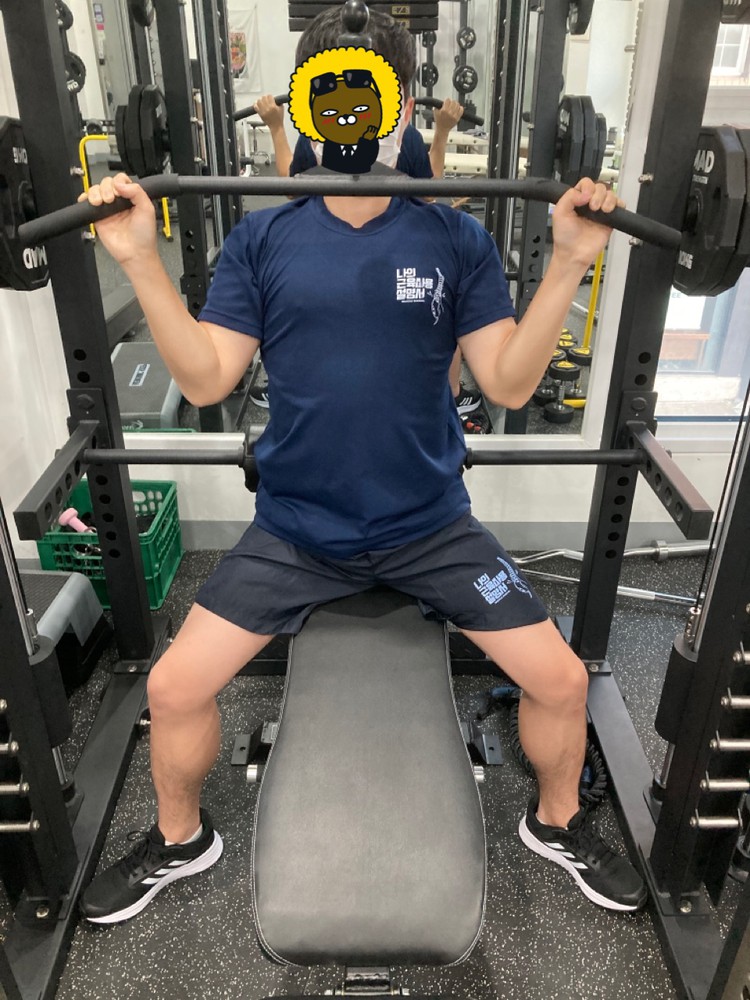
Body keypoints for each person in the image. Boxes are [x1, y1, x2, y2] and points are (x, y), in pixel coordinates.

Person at [78, 11, 646, 929]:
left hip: (431, 527)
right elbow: (209, 377)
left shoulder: (453, 240)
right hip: (297, 530)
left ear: (403, 108)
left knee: (563, 680)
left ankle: (557, 820)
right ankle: (182, 840)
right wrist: (141, 258)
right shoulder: (263, 241)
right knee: (172, 687)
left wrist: (571, 263)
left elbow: (506, 382)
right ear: (307, 109)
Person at [251, 9, 480, 420]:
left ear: (400, 109)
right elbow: (293, 188)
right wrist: (276, 127)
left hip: (400, 259)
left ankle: (448, 397)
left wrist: (443, 130)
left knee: (441, 305)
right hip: (328, 255)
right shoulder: (312, 145)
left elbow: (428, 194)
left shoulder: (405, 140)